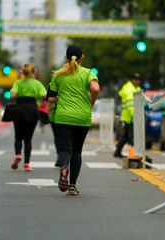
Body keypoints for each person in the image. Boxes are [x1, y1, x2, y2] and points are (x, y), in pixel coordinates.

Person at [47, 44, 100, 196]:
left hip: (63, 117)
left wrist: (61, 97)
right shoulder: (88, 73)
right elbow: (95, 89)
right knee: (77, 151)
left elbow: (50, 98)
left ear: (66, 57)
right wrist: (91, 102)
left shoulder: (58, 74)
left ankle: (64, 166)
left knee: (66, 150)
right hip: (82, 117)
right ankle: (72, 186)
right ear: (82, 57)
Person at [9, 63, 47, 171]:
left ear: (23, 72)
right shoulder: (37, 83)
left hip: (19, 109)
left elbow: (13, 95)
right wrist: (38, 99)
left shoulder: (18, 82)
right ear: (34, 72)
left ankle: (17, 155)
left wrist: (17, 101)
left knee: (18, 136)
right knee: (28, 139)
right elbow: (44, 96)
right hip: (32, 110)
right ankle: (27, 164)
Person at [113, 73, 141, 158]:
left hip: (130, 116)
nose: (138, 81)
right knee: (132, 136)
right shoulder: (129, 89)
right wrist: (134, 115)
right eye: (136, 80)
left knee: (126, 136)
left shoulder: (135, 88)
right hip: (130, 117)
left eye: (139, 80)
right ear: (132, 80)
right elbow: (130, 104)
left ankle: (118, 151)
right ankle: (136, 153)